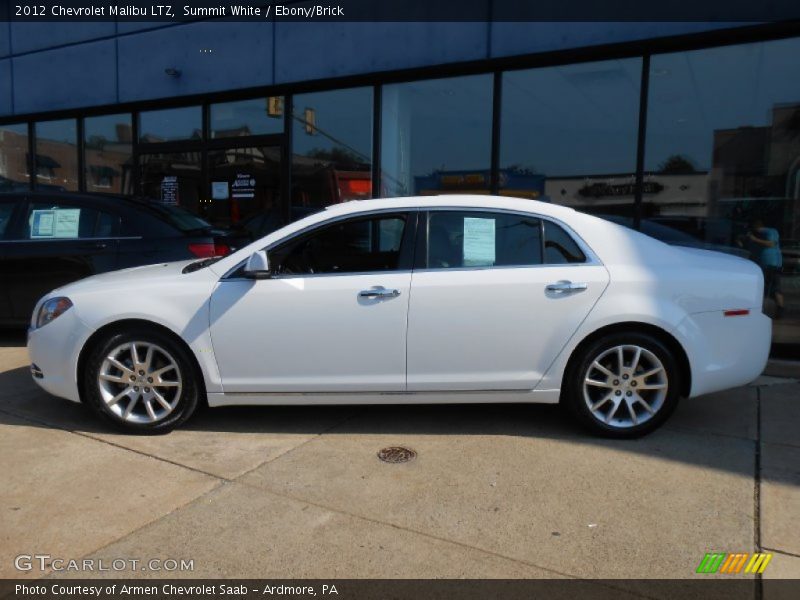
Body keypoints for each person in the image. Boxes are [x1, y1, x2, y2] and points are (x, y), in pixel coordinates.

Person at [747, 218, 785, 319]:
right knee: (774, 288)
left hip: (769, 264)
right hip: (773, 264)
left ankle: (770, 310)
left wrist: (754, 239)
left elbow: (771, 244)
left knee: (769, 287)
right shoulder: (771, 232)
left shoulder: (769, 232)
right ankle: (779, 310)